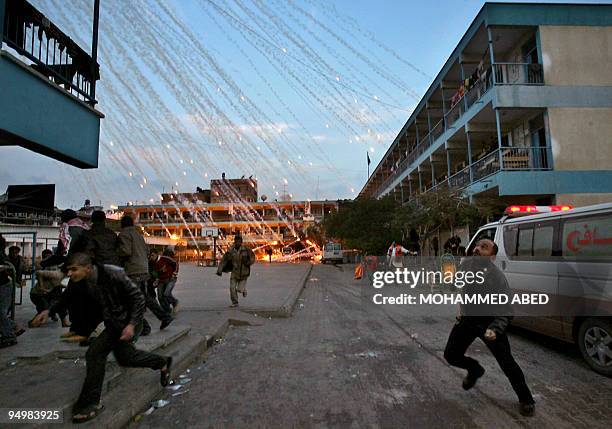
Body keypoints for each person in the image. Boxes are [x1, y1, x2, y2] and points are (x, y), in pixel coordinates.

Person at [31, 253, 172, 424]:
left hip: (128, 322)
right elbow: (66, 298)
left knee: (95, 354)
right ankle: (162, 362)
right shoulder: (79, 281)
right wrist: (48, 311)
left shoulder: (114, 274)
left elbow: (138, 298)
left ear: (88, 268)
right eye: (69, 270)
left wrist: (132, 324)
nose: (70, 274)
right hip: (113, 323)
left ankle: (90, 403)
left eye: (74, 270)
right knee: (126, 357)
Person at [443, 239, 535, 417]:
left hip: (490, 323)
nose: (477, 249)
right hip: (468, 320)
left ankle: (526, 399)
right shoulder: (467, 264)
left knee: (507, 363)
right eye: (477, 245)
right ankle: (475, 369)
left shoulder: (497, 276)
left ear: (492, 257)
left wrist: (496, 328)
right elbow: (454, 285)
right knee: (451, 355)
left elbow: (507, 308)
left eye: (484, 247)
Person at [118, 215, 172, 334]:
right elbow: (147, 251)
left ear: (122, 224)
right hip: (143, 270)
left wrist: (117, 252)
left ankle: (143, 327)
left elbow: (125, 251)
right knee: (145, 297)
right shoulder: (139, 235)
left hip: (133, 271)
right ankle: (164, 317)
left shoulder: (124, 234)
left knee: (132, 299)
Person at [29, 249, 69, 328]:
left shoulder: (58, 271)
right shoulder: (55, 272)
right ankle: (33, 323)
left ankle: (64, 322)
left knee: (59, 304)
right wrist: (42, 287)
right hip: (38, 294)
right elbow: (39, 273)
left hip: (47, 292)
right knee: (45, 309)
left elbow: (56, 283)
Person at [216, 235, 255, 307]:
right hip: (235, 273)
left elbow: (253, 257)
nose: (238, 243)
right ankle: (235, 302)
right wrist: (220, 270)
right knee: (232, 288)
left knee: (239, 290)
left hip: (244, 273)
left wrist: (248, 262)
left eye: (239, 241)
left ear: (241, 242)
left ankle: (243, 290)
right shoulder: (231, 251)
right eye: (236, 241)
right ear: (234, 241)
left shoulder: (246, 250)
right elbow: (224, 259)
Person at [1, 236, 19, 348]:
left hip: (3, 285)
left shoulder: (2, 256)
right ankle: (14, 327)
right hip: (5, 284)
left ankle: (10, 334)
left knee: (0, 311)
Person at [149, 249, 179, 315]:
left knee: (166, 293)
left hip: (170, 279)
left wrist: (174, 273)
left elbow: (175, 263)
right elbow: (154, 273)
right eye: (150, 256)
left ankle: (175, 302)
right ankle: (167, 310)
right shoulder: (151, 263)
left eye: (152, 255)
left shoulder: (164, 258)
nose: (151, 257)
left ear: (157, 254)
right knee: (160, 297)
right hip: (161, 280)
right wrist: (156, 280)